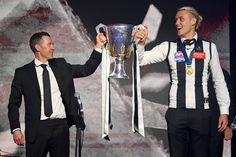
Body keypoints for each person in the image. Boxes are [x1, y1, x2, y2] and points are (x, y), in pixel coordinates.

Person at [133, 6, 230, 157]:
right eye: (176, 20)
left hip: (201, 114)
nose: (177, 22)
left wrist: (224, 111)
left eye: (181, 19)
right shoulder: (169, 47)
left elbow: (219, 81)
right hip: (176, 113)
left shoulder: (209, 48)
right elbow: (140, 60)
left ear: (193, 21)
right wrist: (141, 44)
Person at [8, 31, 106, 157]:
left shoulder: (61, 65)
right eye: (49, 44)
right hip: (37, 130)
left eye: (52, 44)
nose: (53, 47)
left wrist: (98, 46)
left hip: (61, 128)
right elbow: (13, 104)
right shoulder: (22, 73)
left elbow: (87, 69)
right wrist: (16, 129)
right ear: (38, 47)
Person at [208, 68, 234, 157]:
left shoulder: (222, 74)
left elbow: (230, 101)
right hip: (194, 128)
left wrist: (228, 126)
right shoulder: (190, 73)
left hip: (216, 126)